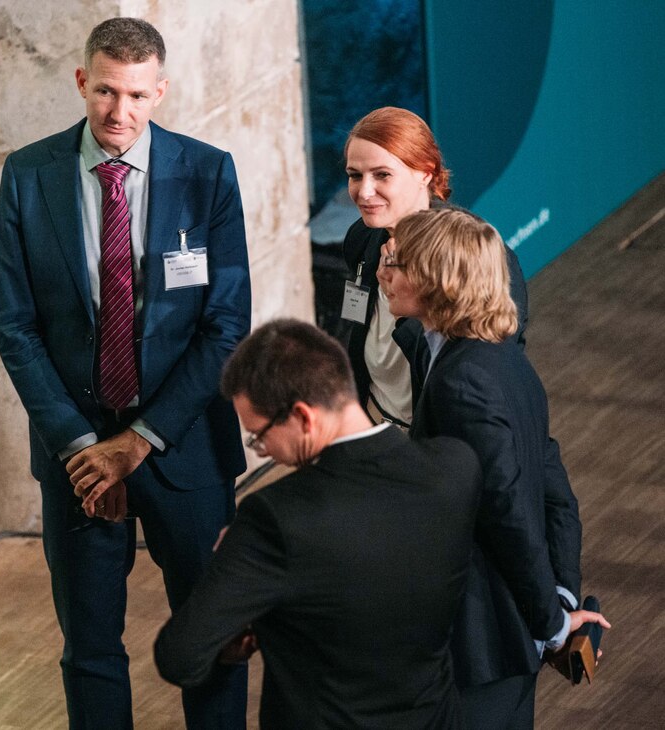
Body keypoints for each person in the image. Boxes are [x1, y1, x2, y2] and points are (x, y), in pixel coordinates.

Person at [0, 17, 251, 729]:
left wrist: (137, 441)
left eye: (137, 95)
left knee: (212, 638)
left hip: (182, 448)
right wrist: (83, 450)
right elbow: (16, 328)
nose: (118, 112)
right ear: (82, 81)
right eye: (106, 91)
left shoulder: (207, 173)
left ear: (159, 92)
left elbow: (225, 326)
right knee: (89, 648)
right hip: (75, 456)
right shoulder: (28, 175)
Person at [155, 319, 481, 728]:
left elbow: (179, 656)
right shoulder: (456, 468)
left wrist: (242, 588)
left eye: (258, 435)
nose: (262, 450)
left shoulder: (272, 519)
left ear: (303, 417)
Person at [384, 208, 609, 728]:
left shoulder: (461, 382)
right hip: (510, 629)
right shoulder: (502, 359)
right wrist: (560, 594)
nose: (384, 271)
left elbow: (506, 511)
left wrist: (551, 621)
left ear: (436, 279)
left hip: (481, 640)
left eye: (397, 263)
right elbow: (554, 491)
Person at [341, 106, 528, 427]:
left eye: (382, 174)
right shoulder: (362, 237)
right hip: (374, 427)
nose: (364, 191)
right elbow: (353, 320)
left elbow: (490, 365)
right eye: (355, 175)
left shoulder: (474, 256)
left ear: (425, 173)